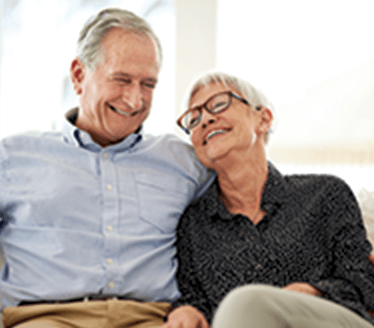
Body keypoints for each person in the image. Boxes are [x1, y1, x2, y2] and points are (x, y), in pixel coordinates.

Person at [0, 8, 213, 328]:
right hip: (47, 318)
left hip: (151, 319)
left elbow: (249, 207)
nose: (134, 100)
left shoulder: (183, 161)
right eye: (122, 80)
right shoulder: (14, 157)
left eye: (148, 84)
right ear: (78, 75)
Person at [162, 72, 374, 328]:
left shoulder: (326, 193)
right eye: (193, 119)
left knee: (245, 303)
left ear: (263, 119)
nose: (204, 119)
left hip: (330, 321)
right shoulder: (193, 224)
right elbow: (193, 300)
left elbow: (363, 283)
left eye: (219, 103)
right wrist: (184, 311)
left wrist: (313, 291)